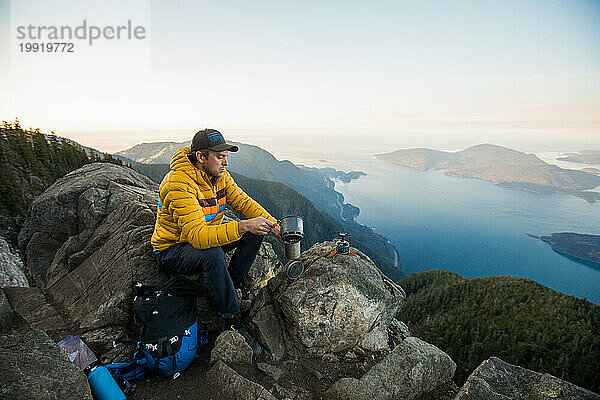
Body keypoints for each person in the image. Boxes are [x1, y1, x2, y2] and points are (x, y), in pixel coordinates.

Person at [151, 128, 282, 353]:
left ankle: (231, 286)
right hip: (172, 249)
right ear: (201, 157)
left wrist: (273, 225)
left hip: (204, 236)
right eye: (220, 157)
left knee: (254, 230)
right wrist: (241, 226)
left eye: (226, 157)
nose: (225, 163)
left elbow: (243, 202)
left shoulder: (219, 177)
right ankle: (230, 316)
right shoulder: (179, 184)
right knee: (214, 253)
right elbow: (198, 237)